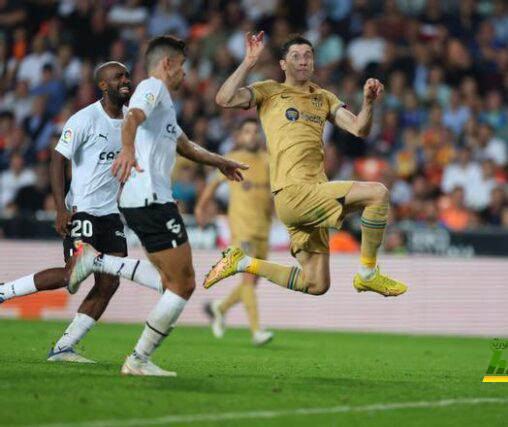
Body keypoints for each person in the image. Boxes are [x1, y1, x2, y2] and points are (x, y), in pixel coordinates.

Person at [66, 35, 247, 377]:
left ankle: (97, 260)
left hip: (144, 200)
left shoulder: (163, 106)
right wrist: (128, 149)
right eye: (182, 67)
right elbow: (132, 117)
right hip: (150, 198)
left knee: (172, 284)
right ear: (167, 64)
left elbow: (186, 145)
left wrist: (220, 161)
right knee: (184, 284)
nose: (184, 75)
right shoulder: (153, 88)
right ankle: (138, 359)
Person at [205, 32, 407, 298]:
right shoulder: (269, 91)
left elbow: (359, 129)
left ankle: (242, 262)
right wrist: (248, 62)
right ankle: (368, 274)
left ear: (314, 62)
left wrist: (368, 104)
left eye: (308, 56)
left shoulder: (323, 98)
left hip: (312, 194)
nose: (303, 61)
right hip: (293, 192)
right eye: (295, 56)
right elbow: (224, 99)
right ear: (282, 64)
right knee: (378, 193)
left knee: (316, 284)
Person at [0, 62, 163, 362]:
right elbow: (56, 161)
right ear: (103, 85)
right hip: (83, 211)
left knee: (109, 282)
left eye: (127, 76)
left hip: (111, 214)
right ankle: (3, 291)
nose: (126, 81)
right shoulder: (85, 119)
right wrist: (61, 208)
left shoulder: (131, 122)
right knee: (71, 273)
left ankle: (63, 348)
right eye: (119, 77)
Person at [195, 118, 274, 346]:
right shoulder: (232, 161)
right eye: (247, 131)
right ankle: (257, 331)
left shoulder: (268, 161)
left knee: (253, 282)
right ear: (239, 136)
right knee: (248, 278)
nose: (252, 135)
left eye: (255, 132)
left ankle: (219, 307)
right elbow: (212, 185)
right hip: (242, 230)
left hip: (263, 230)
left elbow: (272, 194)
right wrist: (201, 207)